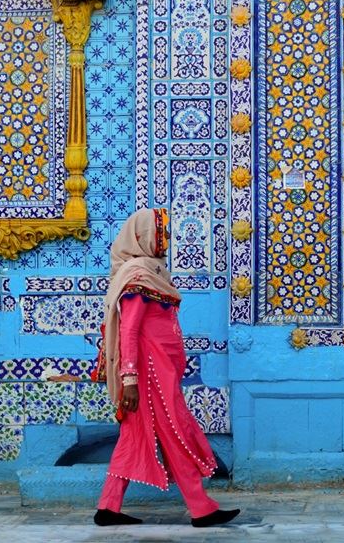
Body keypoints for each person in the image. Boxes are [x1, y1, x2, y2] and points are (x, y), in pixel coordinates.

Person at [93, 208, 239, 528]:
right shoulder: (136, 276)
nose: (167, 240)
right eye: (162, 233)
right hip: (148, 372)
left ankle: (108, 506)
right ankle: (201, 508)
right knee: (175, 432)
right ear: (143, 236)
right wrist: (129, 379)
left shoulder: (153, 271)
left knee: (133, 437)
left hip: (159, 369)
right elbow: (128, 332)